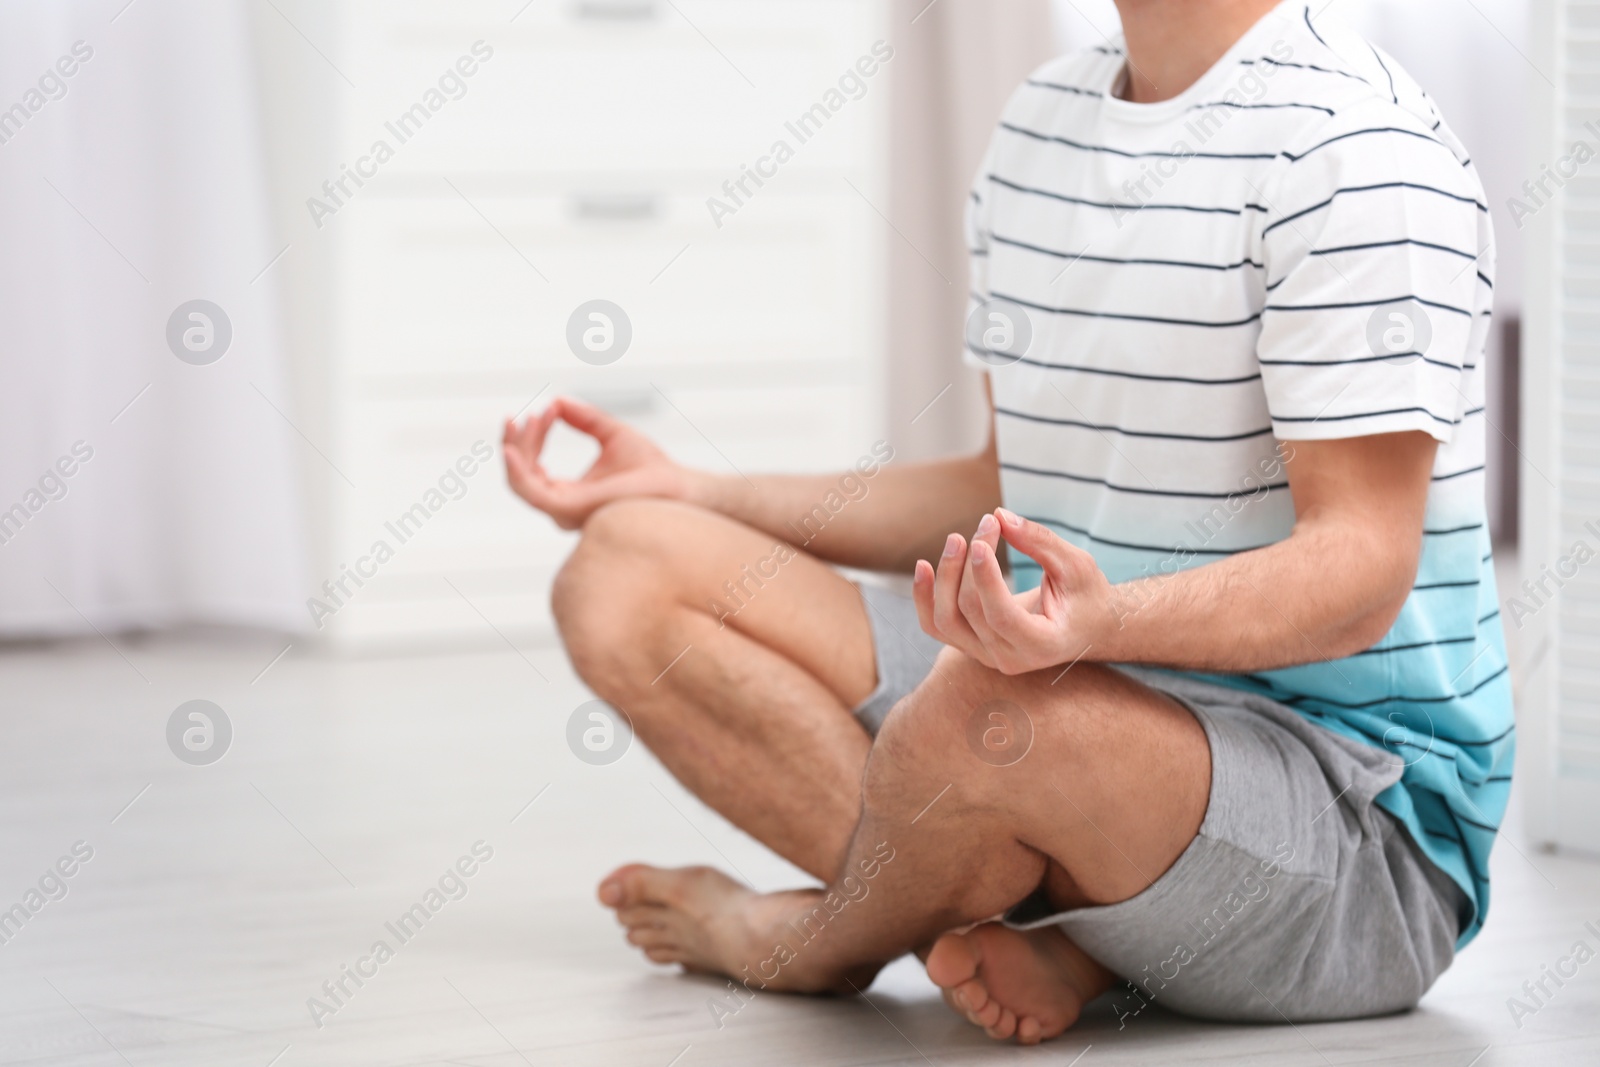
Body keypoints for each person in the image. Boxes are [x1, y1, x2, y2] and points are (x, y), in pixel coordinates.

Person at [503, 0, 1511, 1045]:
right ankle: (1046, 931)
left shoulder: (1360, 151)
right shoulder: (1041, 125)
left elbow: (1359, 566)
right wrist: (697, 492)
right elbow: (999, 483)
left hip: (1356, 825)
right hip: (1070, 693)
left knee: (986, 706)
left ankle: (810, 941)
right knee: (625, 563)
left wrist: (1098, 625)